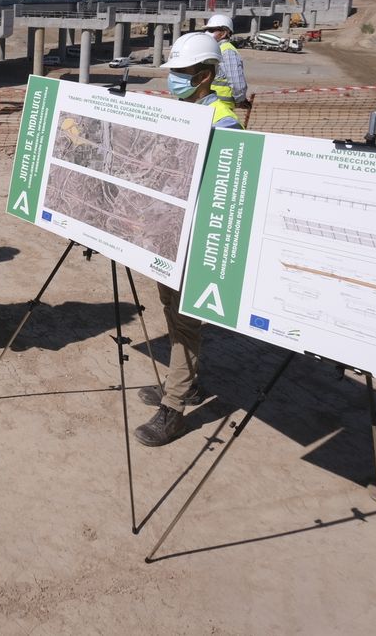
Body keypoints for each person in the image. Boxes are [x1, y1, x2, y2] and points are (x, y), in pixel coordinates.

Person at [135, 33, 240, 447]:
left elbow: (222, 189)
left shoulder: (223, 121)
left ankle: (175, 408)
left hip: (194, 237)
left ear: (205, 75)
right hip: (170, 231)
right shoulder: (189, 110)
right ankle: (187, 383)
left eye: (181, 73)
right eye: (173, 73)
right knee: (172, 310)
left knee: (184, 319)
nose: (173, 80)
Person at [203, 13, 248, 113]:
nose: (207, 33)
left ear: (224, 33)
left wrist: (240, 100)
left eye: (211, 30)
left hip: (222, 107)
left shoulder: (227, 51)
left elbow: (237, 83)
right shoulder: (212, 49)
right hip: (209, 104)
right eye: (206, 30)